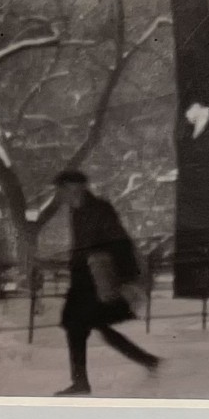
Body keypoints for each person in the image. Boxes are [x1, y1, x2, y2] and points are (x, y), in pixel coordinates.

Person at [53, 169, 160, 396]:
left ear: (74, 187)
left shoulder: (100, 209)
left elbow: (120, 243)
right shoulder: (77, 211)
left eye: (61, 189)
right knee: (81, 326)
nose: (58, 194)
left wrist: (125, 280)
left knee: (82, 325)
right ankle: (147, 362)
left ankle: (83, 382)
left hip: (101, 277)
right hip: (83, 278)